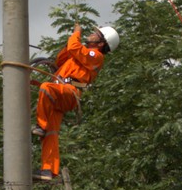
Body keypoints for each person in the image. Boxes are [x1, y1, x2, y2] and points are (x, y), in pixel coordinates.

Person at [33, 23, 118, 181]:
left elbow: (74, 47)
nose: (91, 34)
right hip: (59, 94)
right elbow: (61, 58)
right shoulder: (81, 54)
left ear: (101, 44)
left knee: (46, 88)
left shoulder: (96, 56)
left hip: (70, 93)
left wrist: (76, 33)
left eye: (95, 34)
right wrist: (70, 43)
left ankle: (41, 125)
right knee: (51, 133)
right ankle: (48, 170)